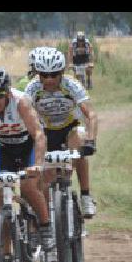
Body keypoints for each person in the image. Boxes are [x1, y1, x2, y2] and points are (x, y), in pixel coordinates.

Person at [0, 68, 55, 253]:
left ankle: (45, 227)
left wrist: (38, 165)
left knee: (29, 188)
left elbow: (39, 135)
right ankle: (5, 254)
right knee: (3, 198)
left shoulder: (21, 102)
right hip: (5, 149)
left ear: (7, 92)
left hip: (28, 146)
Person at [24, 48, 98, 218]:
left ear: (62, 72)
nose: (49, 79)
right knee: (46, 179)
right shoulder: (32, 88)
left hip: (68, 128)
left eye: (54, 74)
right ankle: (48, 219)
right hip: (44, 132)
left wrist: (91, 141)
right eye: (44, 75)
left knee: (79, 141)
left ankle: (85, 196)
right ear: (38, 73)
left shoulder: (71, 85)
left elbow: (91, 115)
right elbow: (23, 114)